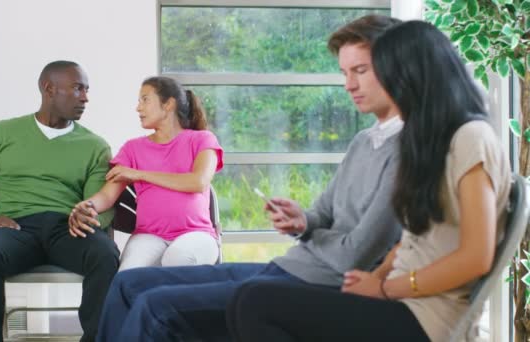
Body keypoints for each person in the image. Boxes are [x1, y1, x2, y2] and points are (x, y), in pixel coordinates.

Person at [95, 14, 404, 342]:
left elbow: (353, 253)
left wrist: (315, 235)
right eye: (344, 73)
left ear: (397, 65)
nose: (348, 85)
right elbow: (323, 215)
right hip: (293, 265)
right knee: (127, 283)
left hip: (316, 278)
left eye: (360, 71)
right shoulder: (363, 141)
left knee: (153, 305)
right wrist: (302, 220)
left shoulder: (410, 148)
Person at [226, 20, 512, 342]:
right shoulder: (434, 141)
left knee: (256, 303)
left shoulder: (472, 137)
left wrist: (385, 288)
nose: (380, 85)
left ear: (414, 73)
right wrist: (372, 280)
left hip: (427, 319)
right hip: (399, 300)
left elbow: (476, 257)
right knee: (248, 298)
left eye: (386, 73)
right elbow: (412, 241)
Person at [0, 60, 120, 342]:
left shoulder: (95, 145)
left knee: (105, 254)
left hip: (67, 227)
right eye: (78, 88)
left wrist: (88, 215)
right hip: (16, 228)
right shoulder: (3, 133)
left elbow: (99, 203)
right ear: (49, 88)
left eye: (87, 90)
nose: (85, 97)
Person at [69, 76, 223, 270]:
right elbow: (108, 195)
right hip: (149, 236)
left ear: (168, 104)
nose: (138, 108)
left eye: (145, 100)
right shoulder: (133, 148)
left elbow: (198, 182)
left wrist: (140, 174)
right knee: (127, 275)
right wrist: (87, 205)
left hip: (197, 234)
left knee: (177, 259)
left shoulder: (202, 139)